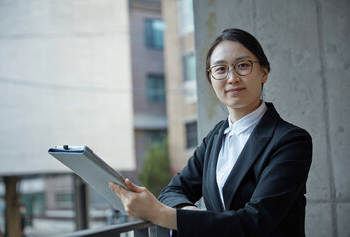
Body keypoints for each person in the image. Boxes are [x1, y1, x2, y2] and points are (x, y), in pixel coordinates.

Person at [110, 28, 312, 237]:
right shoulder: (216, 137)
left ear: (264, 72)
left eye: (242, 65)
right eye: (220, 69)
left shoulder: (291, 141)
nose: (232, 78)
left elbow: (255, 221)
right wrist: (189, 213)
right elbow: (173, 191)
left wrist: (161, 213)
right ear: (211, 78)